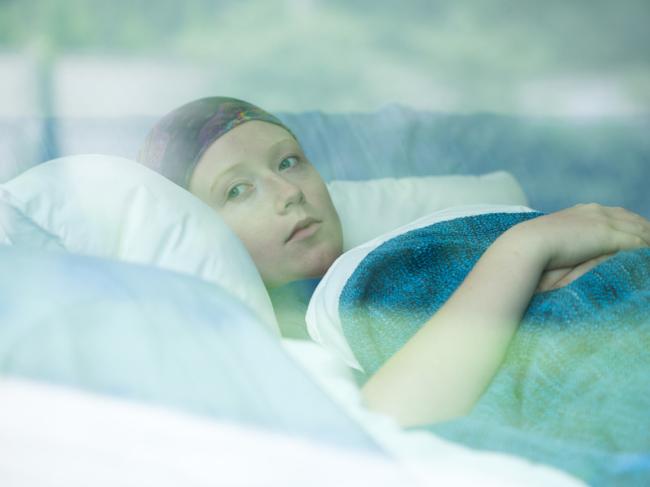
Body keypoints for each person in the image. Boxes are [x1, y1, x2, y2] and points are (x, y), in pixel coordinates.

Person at [138, 96, 650, 428]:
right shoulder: (272, 349)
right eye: (238, 189)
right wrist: (526, 249)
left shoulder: (411, 248)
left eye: (288, 161)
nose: (288, 191)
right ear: (200, 230)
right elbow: (385, 418)